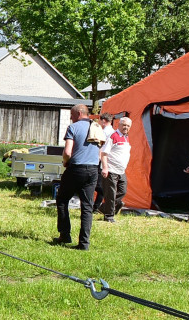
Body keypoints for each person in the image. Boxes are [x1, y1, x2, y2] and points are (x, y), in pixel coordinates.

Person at [54, 104, 101, 250]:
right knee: (87, 206)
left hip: (76, 168)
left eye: (72, 115)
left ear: (79, 113)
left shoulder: (73, 127)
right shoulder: (97, 127)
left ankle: (65, 235)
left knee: (62, 200)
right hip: (93, 170)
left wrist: (65, 162)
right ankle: (84, 243)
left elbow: (68, 152)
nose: (70, 118)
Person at [99, 116, 133, 223]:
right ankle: (109, 216)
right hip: (111, 169)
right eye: (124, 125)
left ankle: (104, 207)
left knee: (122, 191)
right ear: (119, 124)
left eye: (128, 126)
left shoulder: (126, 137)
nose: (125, 127)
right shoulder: (113, 136)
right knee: (111, 194)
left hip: (121, 170)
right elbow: (104, 153)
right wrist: (105, 168)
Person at [92, 112, 114, 212]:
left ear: (104, 121)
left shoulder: (105, 132)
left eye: (101, 121)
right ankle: (97, 206)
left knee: (97, 185)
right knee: (100, 185)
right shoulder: (113, 132)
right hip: (107, 161)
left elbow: (101, 147)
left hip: (100, 161)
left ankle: (98, 206)